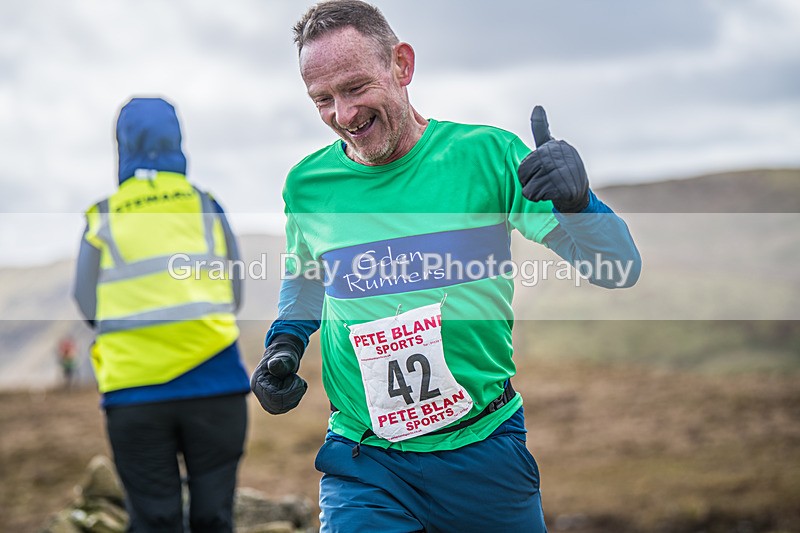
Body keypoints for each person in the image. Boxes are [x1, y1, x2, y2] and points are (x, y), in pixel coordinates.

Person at [250, 2, 642, 531]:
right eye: (323, 99)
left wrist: (580, 205)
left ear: (402, 65)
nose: (342, 115)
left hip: (485, 452)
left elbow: (617, 267)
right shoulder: (307, 186)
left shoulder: (488, 156)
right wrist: (284, 345)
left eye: (355, 88)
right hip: (367, 461)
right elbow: (305, 281)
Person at [74, 97, 250, 532]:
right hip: (216, 387)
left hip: (134, 395)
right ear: (178, 141)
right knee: (213, 515)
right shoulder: (206, 205)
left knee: (154, 518)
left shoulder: (103, 216)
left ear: (122, 145)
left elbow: (85, 300)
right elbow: (235, 291)